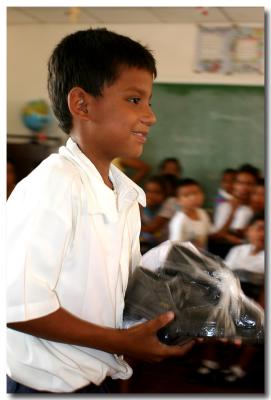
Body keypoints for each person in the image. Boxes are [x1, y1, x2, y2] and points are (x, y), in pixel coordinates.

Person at [6, 28, 195, 394]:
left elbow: (115, 293)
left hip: (98, 378)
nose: (151, 116)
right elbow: (18, 307)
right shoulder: (54, 185)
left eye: (149, 101)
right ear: (82, 104)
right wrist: (120, 342)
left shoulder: (123, 193)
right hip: (45, 389)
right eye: (135, 100)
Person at [209, 166, 257, 257]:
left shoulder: (255, 209)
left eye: (249, 184)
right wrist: (233, 211)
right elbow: (217, 236)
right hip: (221, 252)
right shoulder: (224, 206)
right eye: (240, 183)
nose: (244, 188)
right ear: (234, 185)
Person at [168, 178, 211, 249]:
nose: (193, 198)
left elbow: (209, 230)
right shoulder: (179, 221)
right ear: (178, 200)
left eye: (196, 193)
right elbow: (175, 247)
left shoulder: (202, 213)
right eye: (186, 195)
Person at [140, 175, 168, 253]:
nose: (151, 195)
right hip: (147, 245)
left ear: (165, 194)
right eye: (148, 191)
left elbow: (151, 229)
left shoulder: (168, 205)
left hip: (163, 246)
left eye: (157, 192)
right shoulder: (141, 205)